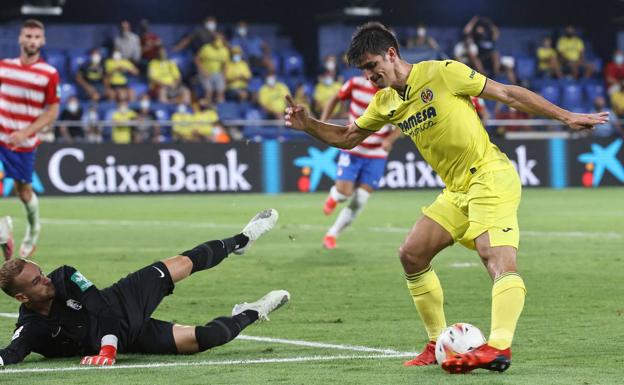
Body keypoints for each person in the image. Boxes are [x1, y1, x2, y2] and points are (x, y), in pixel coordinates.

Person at [284, 21, 608, 374]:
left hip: (489, 177)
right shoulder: (386, 101)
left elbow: (508, 94)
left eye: (372, 66)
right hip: (457, 191)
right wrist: (310, 125)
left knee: (495, 256)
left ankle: (499, 347)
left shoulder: (443, 73)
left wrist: (566, 116)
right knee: (412, 254)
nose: (369, 76)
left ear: (391, 54)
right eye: (363, 70)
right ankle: (436, 342)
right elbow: (348, 137)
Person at [0, 209, 289, 367]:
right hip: (130, 339)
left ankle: (242, 239)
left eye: (40, 271)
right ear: (23, 297)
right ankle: (251, 311)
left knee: (184, 263)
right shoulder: (31, 326)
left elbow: (102, 309)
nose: (46, 278)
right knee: (209, 337)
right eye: (38, 281)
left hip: (122, 302)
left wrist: (108, 350)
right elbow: (13, 352)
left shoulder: (64, 277)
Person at [0, 19, 60, 259]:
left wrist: (25, 132)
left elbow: (52, 112)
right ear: (20, 39)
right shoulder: (4, 67)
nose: (32, 41)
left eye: (36, 37)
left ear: (42, 41)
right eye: (28, 36)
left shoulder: (48, 74)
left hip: (22, 144)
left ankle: (33, 229)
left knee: (23, 192)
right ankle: (3, 232)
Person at [320, 75, 401, 249]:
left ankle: (332, 235)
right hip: (353, 148)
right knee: (344, 194)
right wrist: (323, 121)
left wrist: (390, 140)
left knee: (361, 199)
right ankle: (335, 196)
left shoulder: (395, 92)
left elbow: (403, 122)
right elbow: (335, 97)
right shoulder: (355, 84)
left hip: (377, 153)